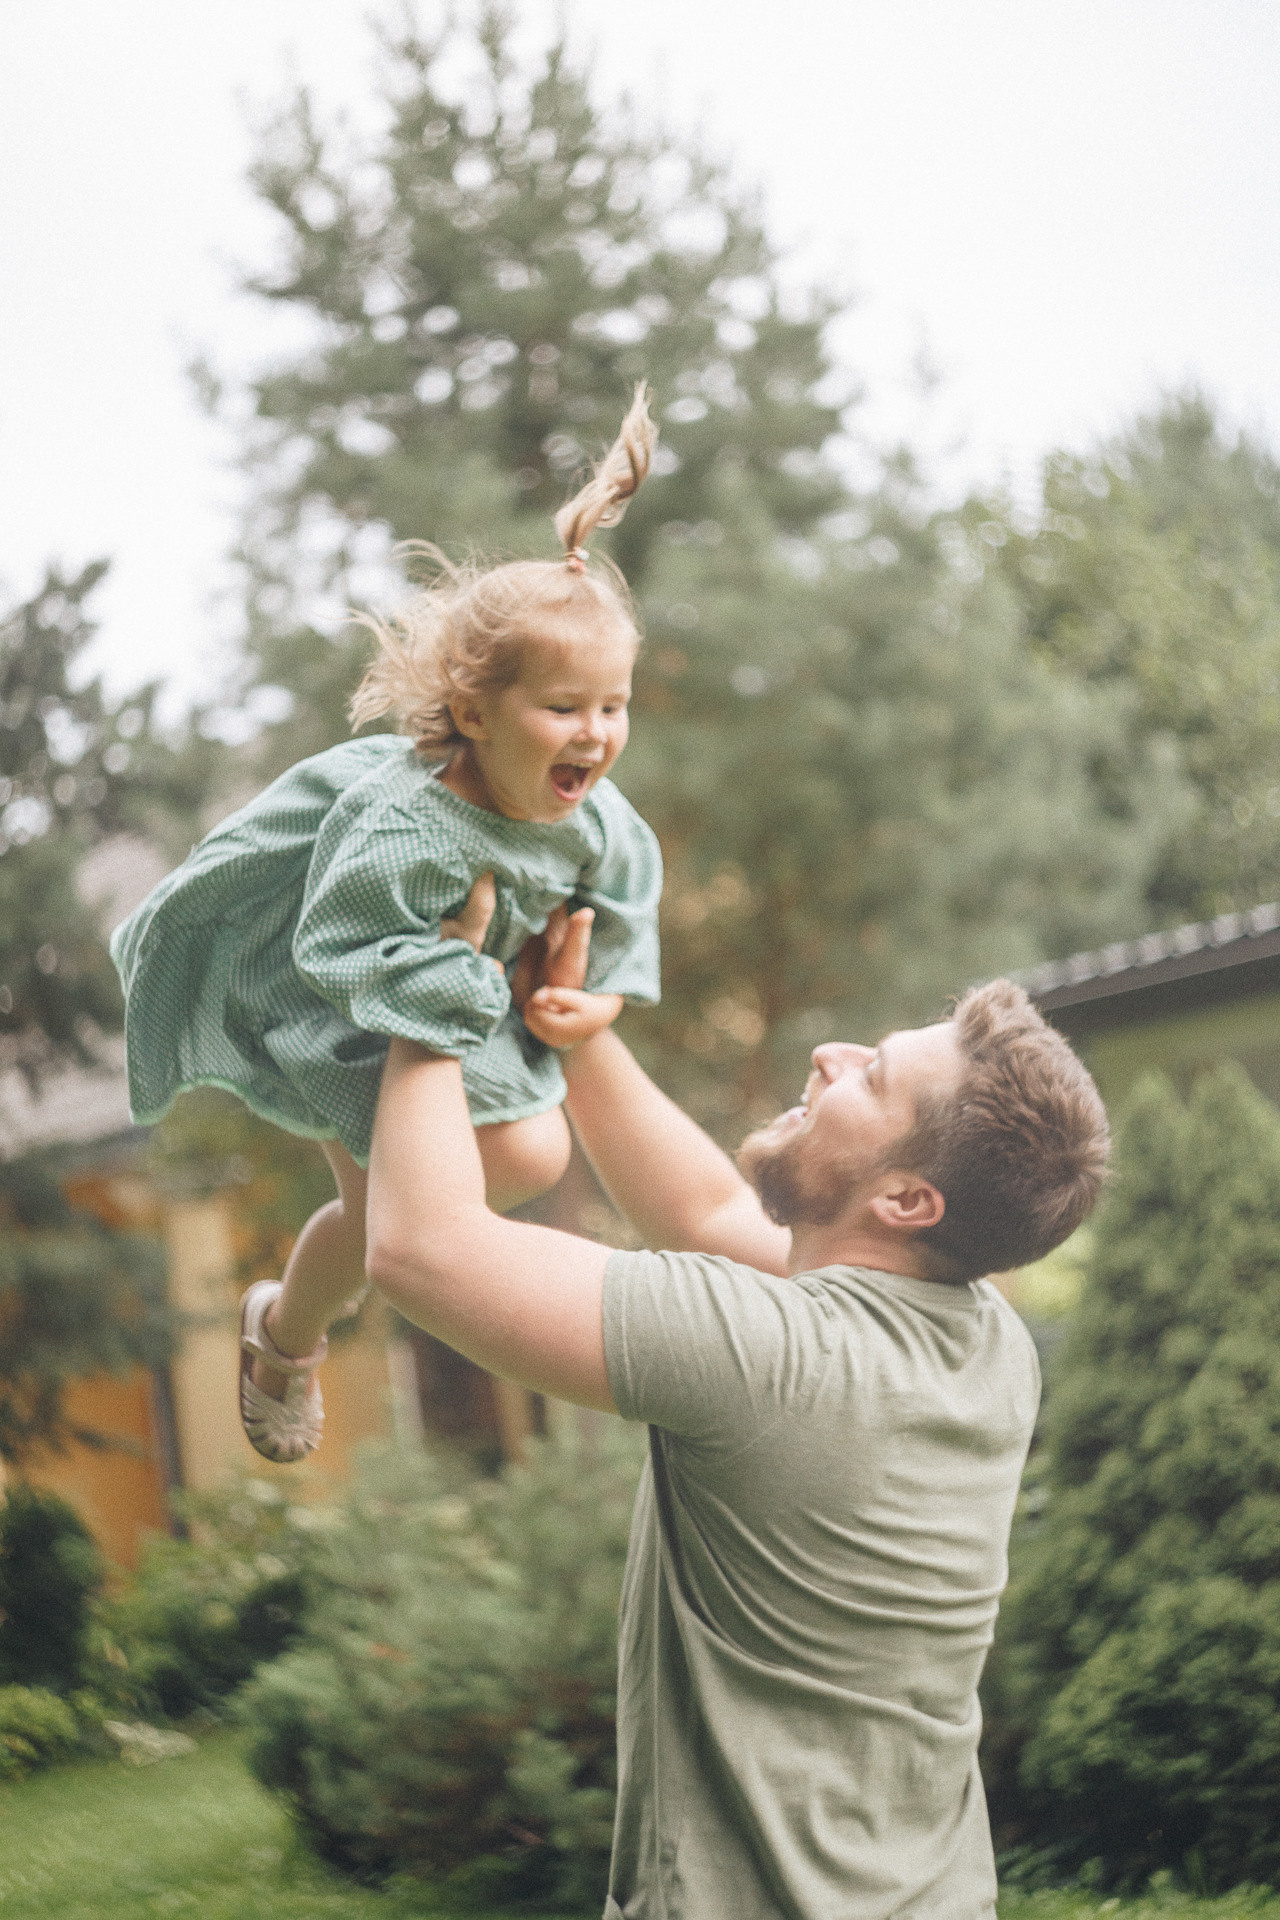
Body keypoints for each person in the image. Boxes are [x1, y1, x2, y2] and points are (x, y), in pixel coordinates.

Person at [362, 892, 1110, 1920]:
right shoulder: (985, 1344)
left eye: (872, 1077)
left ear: (904, 1201)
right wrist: (580, 1034)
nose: (830, 1054)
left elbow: (421, 1248)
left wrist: (427, 986)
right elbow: (707, 1213)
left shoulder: (762, 1355)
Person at [109, 389, 662, 1465]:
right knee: (503, 1162)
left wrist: (599, 992)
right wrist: (462, 980)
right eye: (563, 708)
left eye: (612, 706)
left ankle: (283, 1333)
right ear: (472, 712)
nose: (594, 735)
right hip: (342, 1004)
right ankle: (286, 1330)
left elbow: (625, 888)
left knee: (437, 1199)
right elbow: (346, 943)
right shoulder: (409, 822)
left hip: (441, 997)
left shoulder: (590, 809)